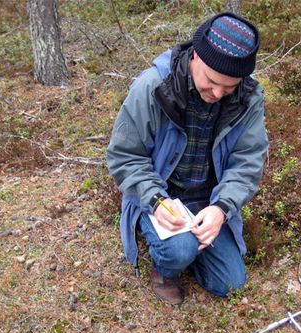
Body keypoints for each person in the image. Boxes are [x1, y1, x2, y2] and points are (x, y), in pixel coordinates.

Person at [107, 12, 268, 305]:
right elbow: (125, 157)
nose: (218, 93)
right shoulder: (153, 86)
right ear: (195, 56)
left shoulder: (249, 99)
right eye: (211, 81)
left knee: (230, 283)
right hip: (160, 192)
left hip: (207, 199)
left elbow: (248, 162)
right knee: (178, 251)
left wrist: (221, 208)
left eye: (229, 87)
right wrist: (155, 200)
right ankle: (166, 265)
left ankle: (190, 243)